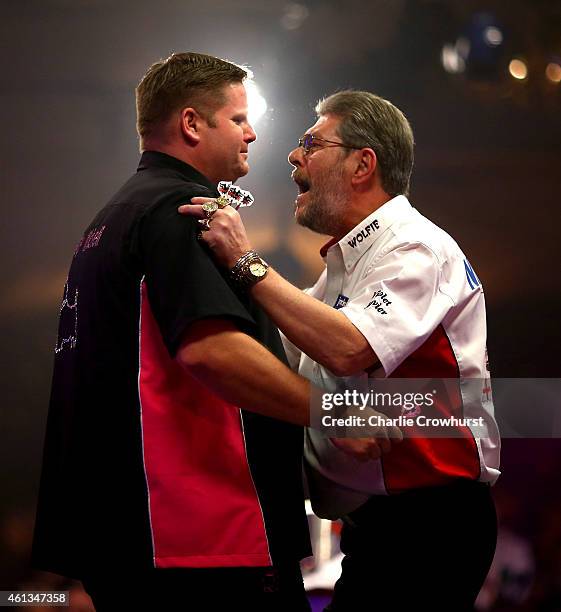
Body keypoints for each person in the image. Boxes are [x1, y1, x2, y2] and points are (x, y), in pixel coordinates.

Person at [31, 54, 399, 612]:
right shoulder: (183, 210)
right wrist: (332, 412)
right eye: (238, 119)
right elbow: (212, 352)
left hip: (128, 534)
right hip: (201, 538)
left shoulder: (109, 220)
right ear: (191, 124)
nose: (253, 133)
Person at [179, 89, 501, 610]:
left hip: (431, 523)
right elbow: (282, 350)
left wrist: (243, 259)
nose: (292, 155)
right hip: (385, 525)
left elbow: (348, 347)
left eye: (311, 142)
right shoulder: (348, 263)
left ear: (361, 164)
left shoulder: (414, 245)